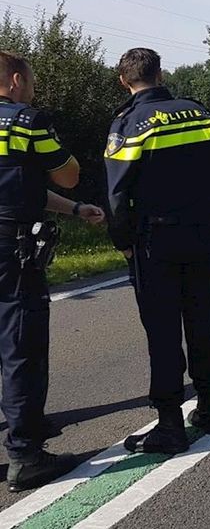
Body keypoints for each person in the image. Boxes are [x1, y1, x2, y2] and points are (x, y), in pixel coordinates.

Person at [104, 48, 210, 454]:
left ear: (124, 81)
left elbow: (115, 194)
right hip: (203, 237)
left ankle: (169, 425)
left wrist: (123, 242)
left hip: (156, 243)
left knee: (163, 333)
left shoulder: (128, 123)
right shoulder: (200, 114)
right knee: (202, 322)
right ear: (161, 75)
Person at [0, 52, 105, 491]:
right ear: (17, 80)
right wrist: (76, 192)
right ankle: (26, 454)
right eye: (33, 82)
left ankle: (27, 426)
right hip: (11, 249)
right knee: (20, 342)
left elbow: (25, 189)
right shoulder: (25, 122)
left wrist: (77, 210)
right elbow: (65, 175)